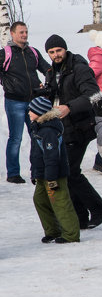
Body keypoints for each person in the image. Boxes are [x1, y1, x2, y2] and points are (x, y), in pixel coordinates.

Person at [43, 35, 102, 229]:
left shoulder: (79, 68)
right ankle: (80, 216)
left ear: (65, 49)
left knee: (70, 171)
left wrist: (69, 107)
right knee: (67, 172)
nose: (56, 55)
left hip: (81, 126)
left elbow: (92, 95)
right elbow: (55, 94)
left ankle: (97, 208)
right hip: (64, 128)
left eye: (58, 51)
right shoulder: (51, 71)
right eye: (52, 52)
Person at [27, 95, 79, 243]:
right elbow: (36, 154)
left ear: (40, 112)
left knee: (60, 202)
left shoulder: (48, 131)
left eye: (31, 110)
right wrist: (35, 173)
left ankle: (71, 234)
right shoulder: (38, 127)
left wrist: (51, 178)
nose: (28, 112)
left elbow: (52, 157)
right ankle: (53, 230)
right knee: (40, 200)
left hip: (54, 174)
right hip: (42, 173)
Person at [3, 21, 50, 183]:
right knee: (16, 138)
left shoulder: (33, 52)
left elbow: (47, 69)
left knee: (37, 135)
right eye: (21, 32)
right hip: (14, 101)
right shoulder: (5, 53)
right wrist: (6, 83)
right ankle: (13, 173)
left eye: (26, 32)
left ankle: (37, 170)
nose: (24, 35)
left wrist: (49, 84)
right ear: (12, 33)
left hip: (34, 102)